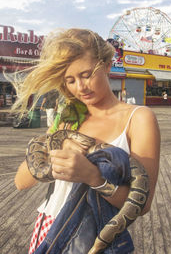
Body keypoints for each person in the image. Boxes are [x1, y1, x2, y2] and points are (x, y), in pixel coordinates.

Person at [13, 28, 160, 254]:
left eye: (86, 74)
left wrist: (93, 177)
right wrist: (56, 151)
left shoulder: (139, 119)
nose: (80, 88)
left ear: (108, 64)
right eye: (70, 80)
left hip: (98, 237)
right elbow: (21, 181)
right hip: (49, 230)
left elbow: (143, 205)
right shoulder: (69, 117)